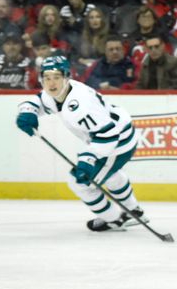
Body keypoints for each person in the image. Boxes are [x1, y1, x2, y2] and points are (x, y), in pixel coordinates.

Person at [14, 55, 147, 231]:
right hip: (122, 135)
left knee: (79, 182)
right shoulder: (63, 90)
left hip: (117, 143)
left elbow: (108, 134)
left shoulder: (79, 106)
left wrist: (88, 160)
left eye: (56, 77)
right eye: (46, 78)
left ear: (66, 77)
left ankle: (113, 219)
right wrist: (28, 111)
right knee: (110, 174)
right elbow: (39, 100)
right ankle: (134, 212)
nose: (51, 83)